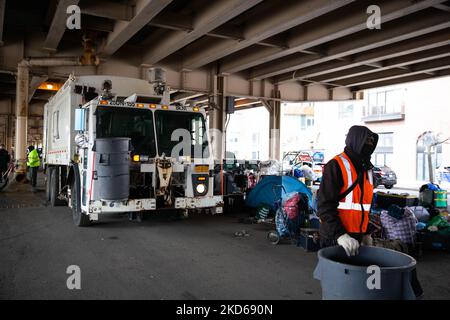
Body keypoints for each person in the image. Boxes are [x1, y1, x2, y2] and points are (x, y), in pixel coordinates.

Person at [317, 125, 423, 298]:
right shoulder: (336, 165)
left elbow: (363, 207)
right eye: (366, 140)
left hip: (358, 237)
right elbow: (324, 206)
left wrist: (366, 233)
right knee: (341, 285)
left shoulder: (367, 169)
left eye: (372, 141)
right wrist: (340, 235)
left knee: (359, 287)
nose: (369, 144)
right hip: (336, 238)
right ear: (355, 140)